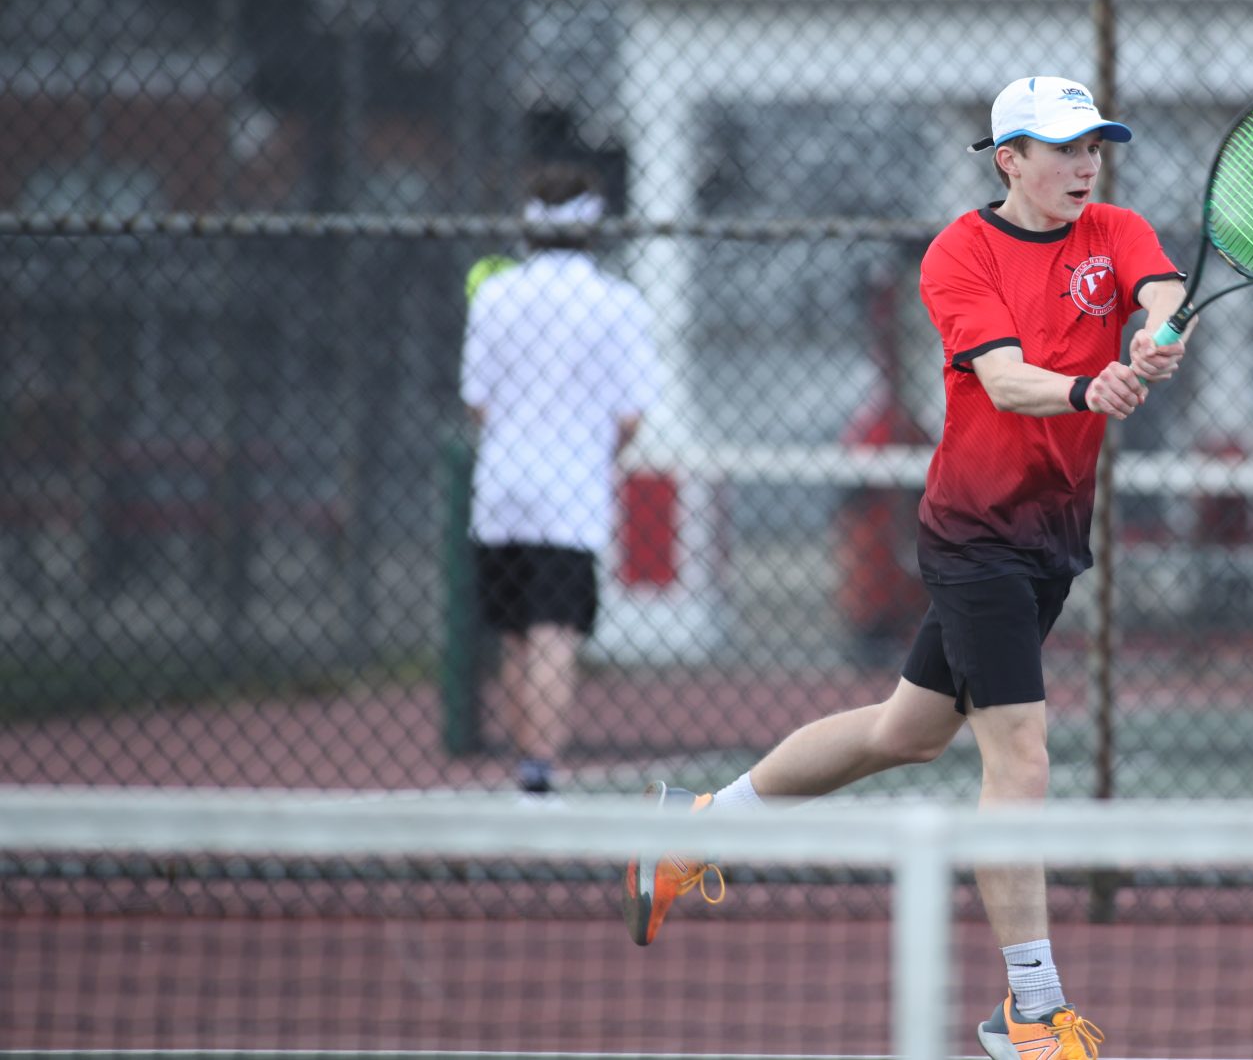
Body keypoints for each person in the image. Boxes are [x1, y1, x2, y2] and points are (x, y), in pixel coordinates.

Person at [622, 76, 1190, 1060]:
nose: (1085, 164)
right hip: (975, 536)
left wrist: (1156, 325)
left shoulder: (1116, 229)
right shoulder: (959, 254)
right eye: (1063, 148)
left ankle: (699, 825)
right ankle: (1028, 1008)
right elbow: (1004, 380)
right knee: (1020, 758)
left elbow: (1165, 287)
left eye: (1093, 146)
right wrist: (1088, 387)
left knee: (906, 731)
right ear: (1009, 158)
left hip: (1050, 538)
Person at [460, 164, 657, 797]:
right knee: (555, 629)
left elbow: (477, 401)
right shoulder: (617, 301)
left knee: (516, 632)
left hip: (501, 484)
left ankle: (525, 771)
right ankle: (541, 774)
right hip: (571, 489)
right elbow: (630, 415)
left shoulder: (495, 294)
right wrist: (593, 449)